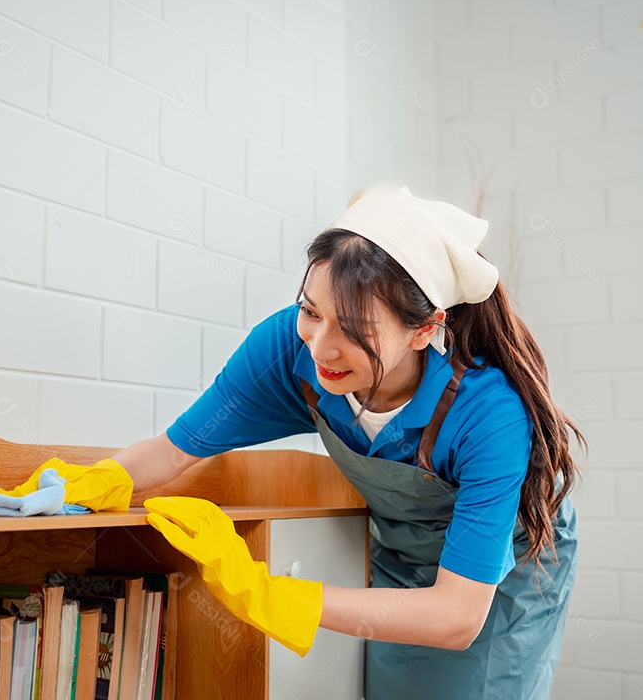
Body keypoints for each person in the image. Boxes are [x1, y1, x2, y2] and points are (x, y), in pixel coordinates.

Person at [116, 185, 584, 699]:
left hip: (501, 577)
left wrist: (272, 594)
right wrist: (82, 487)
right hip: (402, 555)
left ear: (425, 329)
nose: (321, 347)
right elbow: (171, 452)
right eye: (311, 312)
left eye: (355, 329)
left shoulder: (486, 413)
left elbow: (456, 617)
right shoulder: (287, 349)